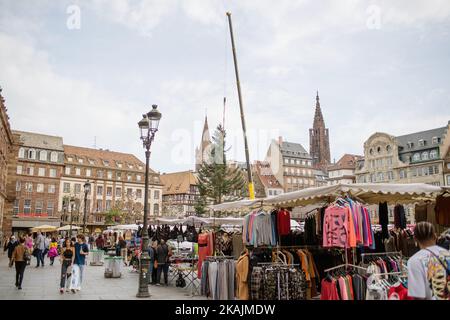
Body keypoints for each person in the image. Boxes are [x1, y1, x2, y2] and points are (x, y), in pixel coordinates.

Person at [407, 221, 450, 300]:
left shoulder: (414, 261)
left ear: (415, 239)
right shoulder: (447, 254)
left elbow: (418, 296)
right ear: (435, 236)